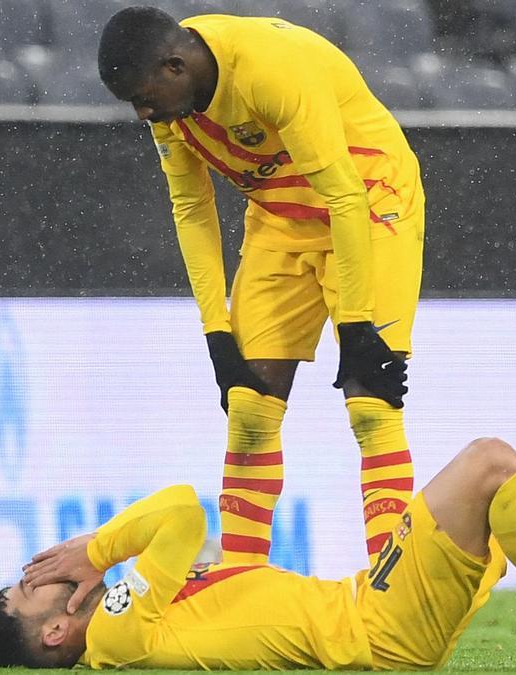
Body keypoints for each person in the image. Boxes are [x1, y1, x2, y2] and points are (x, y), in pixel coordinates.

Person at [96, 6, 424, 567]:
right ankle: (239, 587)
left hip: (370, 203)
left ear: (176, 66)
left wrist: (357, 324)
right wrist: (215, 333)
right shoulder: (170, 107)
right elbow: (191, 208)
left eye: (144, 97)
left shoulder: (269, 70)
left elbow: (344, 194)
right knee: (248, 407)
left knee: (372, 403)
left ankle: (392, 594)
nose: (142, 113)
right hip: (279, 217)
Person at [0, 437, 516, 672]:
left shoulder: (142, 620)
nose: (44, 573)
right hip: (372, 627)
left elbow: (196, 542)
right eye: (32, 589)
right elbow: (179, 506)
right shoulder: (112, 630)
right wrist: (96, 547)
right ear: (54, 632)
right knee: (490, 464)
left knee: (504, 506)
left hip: (370, 613)